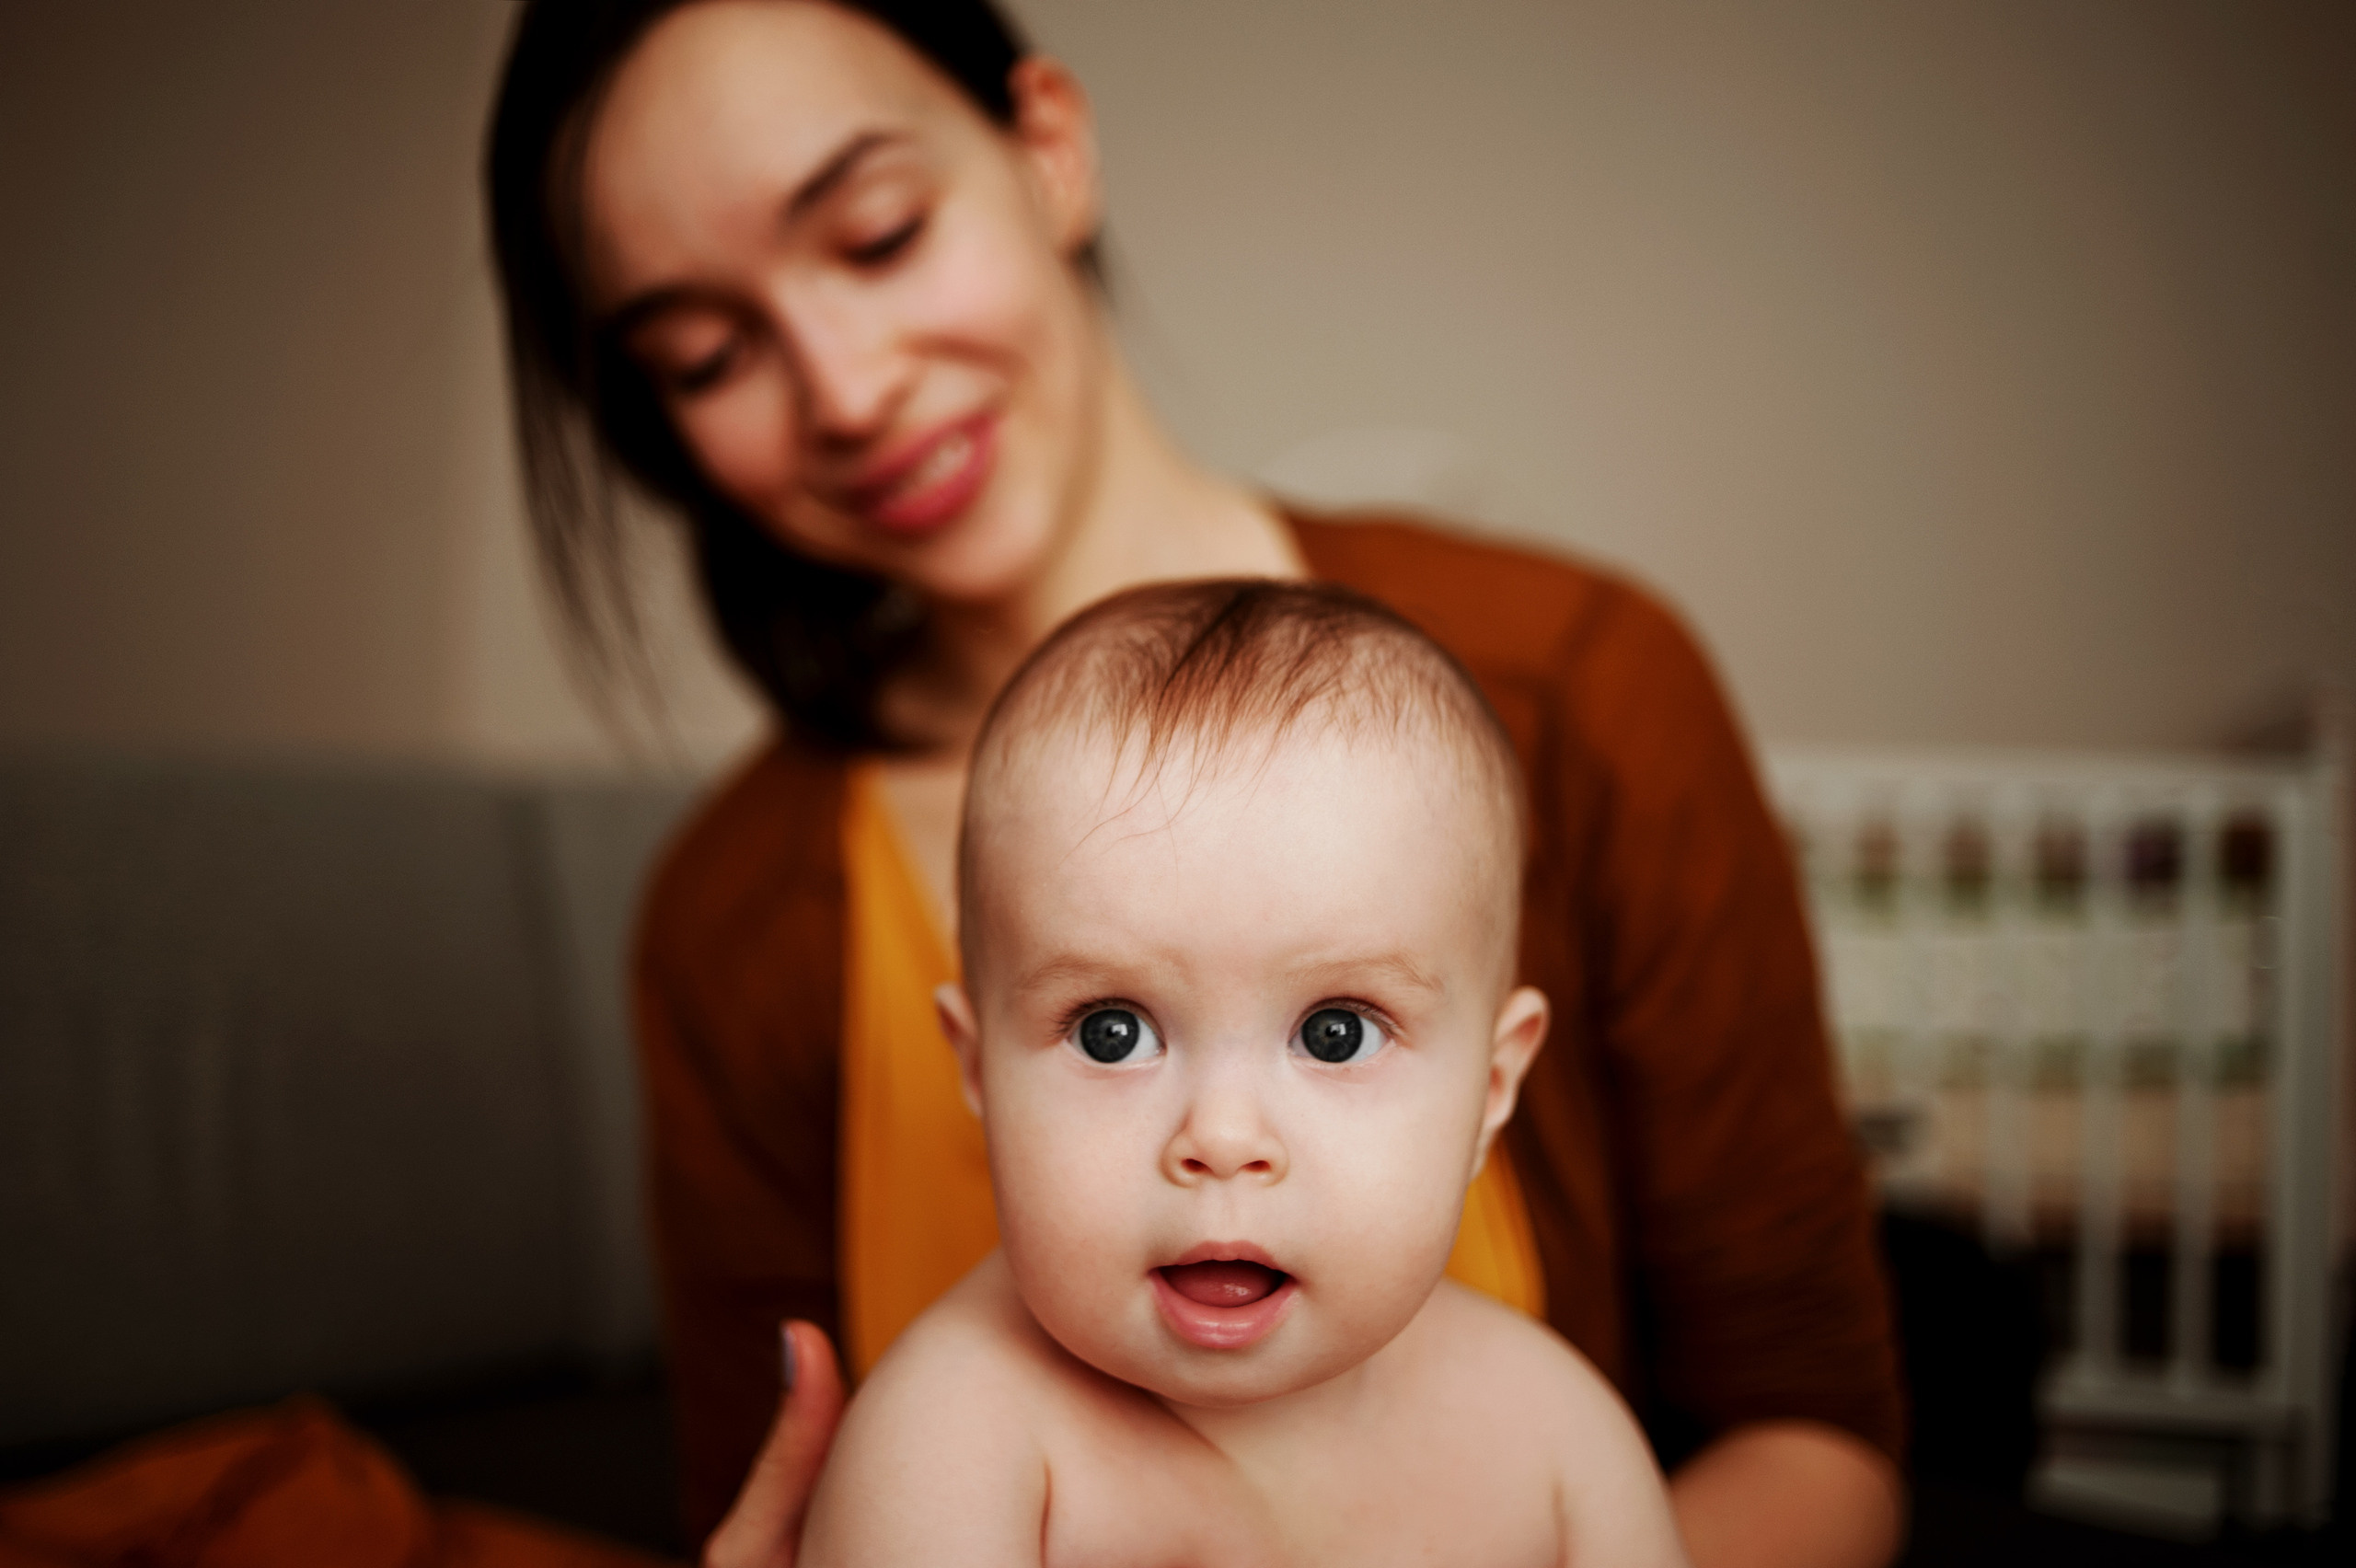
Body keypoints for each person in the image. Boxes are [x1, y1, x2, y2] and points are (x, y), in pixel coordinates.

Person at [482, 4, 1908, 1565]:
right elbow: (751, 1488)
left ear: (1048, 150)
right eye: (709, 352)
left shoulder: (1581, 684)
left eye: (878, 236)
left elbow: (1813, 1427)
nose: (843, 387)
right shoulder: (729, 919)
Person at [797, 576, 1688, 1566]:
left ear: (1489, 1089)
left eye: (1336, 1033)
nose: (1220, 1138)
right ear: (977, 1070)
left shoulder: (1555, 1436)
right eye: (1111, 1033)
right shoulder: (957, 1449)